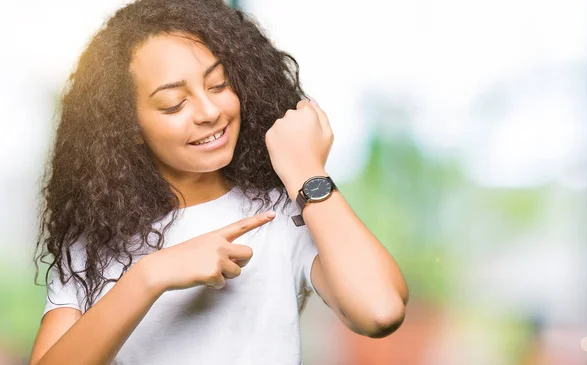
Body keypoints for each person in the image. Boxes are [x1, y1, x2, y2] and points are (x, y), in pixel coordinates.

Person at [29, 0, 409, 364]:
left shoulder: (278, 212)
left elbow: (380, 311)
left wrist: (307, 171)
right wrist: (151, 274)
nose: (210, 112)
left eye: (218, 85)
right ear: (127, 127)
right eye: (175, 104)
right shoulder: (95, 242)